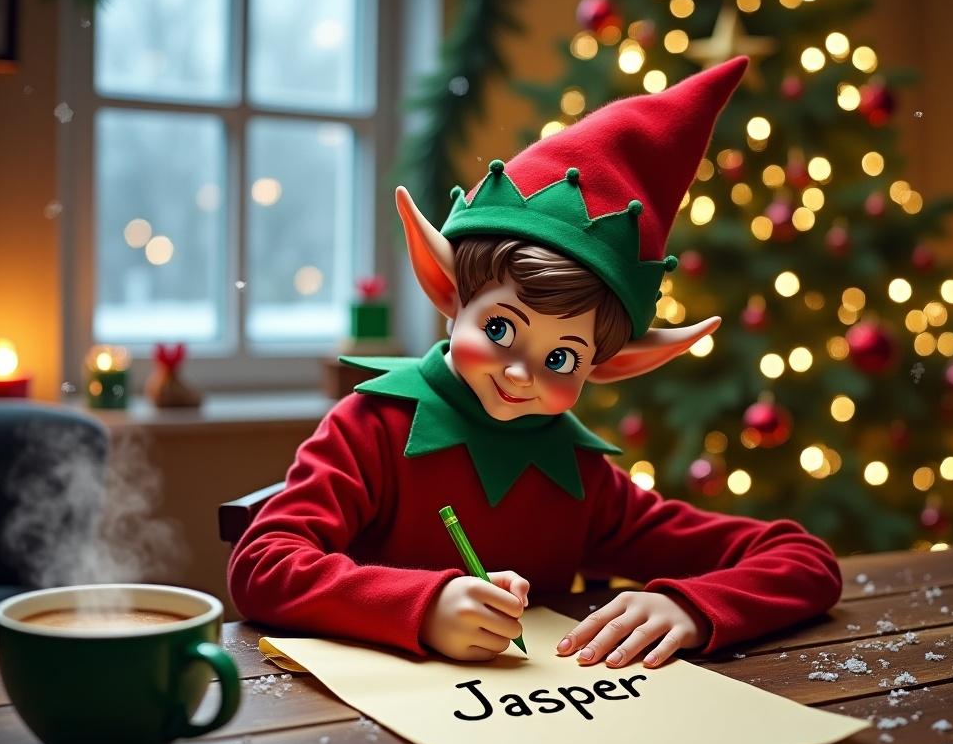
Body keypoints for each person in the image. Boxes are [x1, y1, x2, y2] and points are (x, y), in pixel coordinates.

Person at [228, 56, 842, 670]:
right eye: (499, 329)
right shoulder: (371, 428)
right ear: (449, 292)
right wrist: (426, 604)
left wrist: (689, 607)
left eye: (561, 357)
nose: (521, 373)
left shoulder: (582, 480)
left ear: (609, 365)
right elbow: (261, 564)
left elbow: (804, 560)